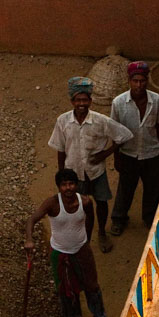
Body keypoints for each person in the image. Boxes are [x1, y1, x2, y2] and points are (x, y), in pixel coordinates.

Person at [48, 76, 133, 253]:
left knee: (101, 202)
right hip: (74, 172)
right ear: (72, 102)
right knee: (79, 206)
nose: (81, 104)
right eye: (78, 100)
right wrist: (62, 174)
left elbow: (124, 135)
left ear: (90, 101)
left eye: (85, 100)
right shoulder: (63, 121)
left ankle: (101, 233)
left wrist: (105, 153)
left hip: (96, 171)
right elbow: (61, 149)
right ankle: (82, 236)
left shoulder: (100, 121)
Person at [24, 169, 111, 317]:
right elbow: (32, 220)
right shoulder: (52, 204)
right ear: (59, 187)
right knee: (65, 288)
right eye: (64, 185)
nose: (68, 188)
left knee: (92, 286)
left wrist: (85, 241)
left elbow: (90, 219)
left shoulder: (85, 202)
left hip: (81, 249)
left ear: (76, 185)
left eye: (71, 184)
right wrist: (29, 239)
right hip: (59, 252)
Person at [109, 61, 159, 234]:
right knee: (125, 189)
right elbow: (114, 131)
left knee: (153, 190)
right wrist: (116, 157)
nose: (139, 85)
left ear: (147, 81)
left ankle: (150, 219)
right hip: (128, 154)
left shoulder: (156, 101)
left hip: (151, 153)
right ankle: (118, 219)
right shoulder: (118, 103)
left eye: (142, 81)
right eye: (135, 81)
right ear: (129, 81)